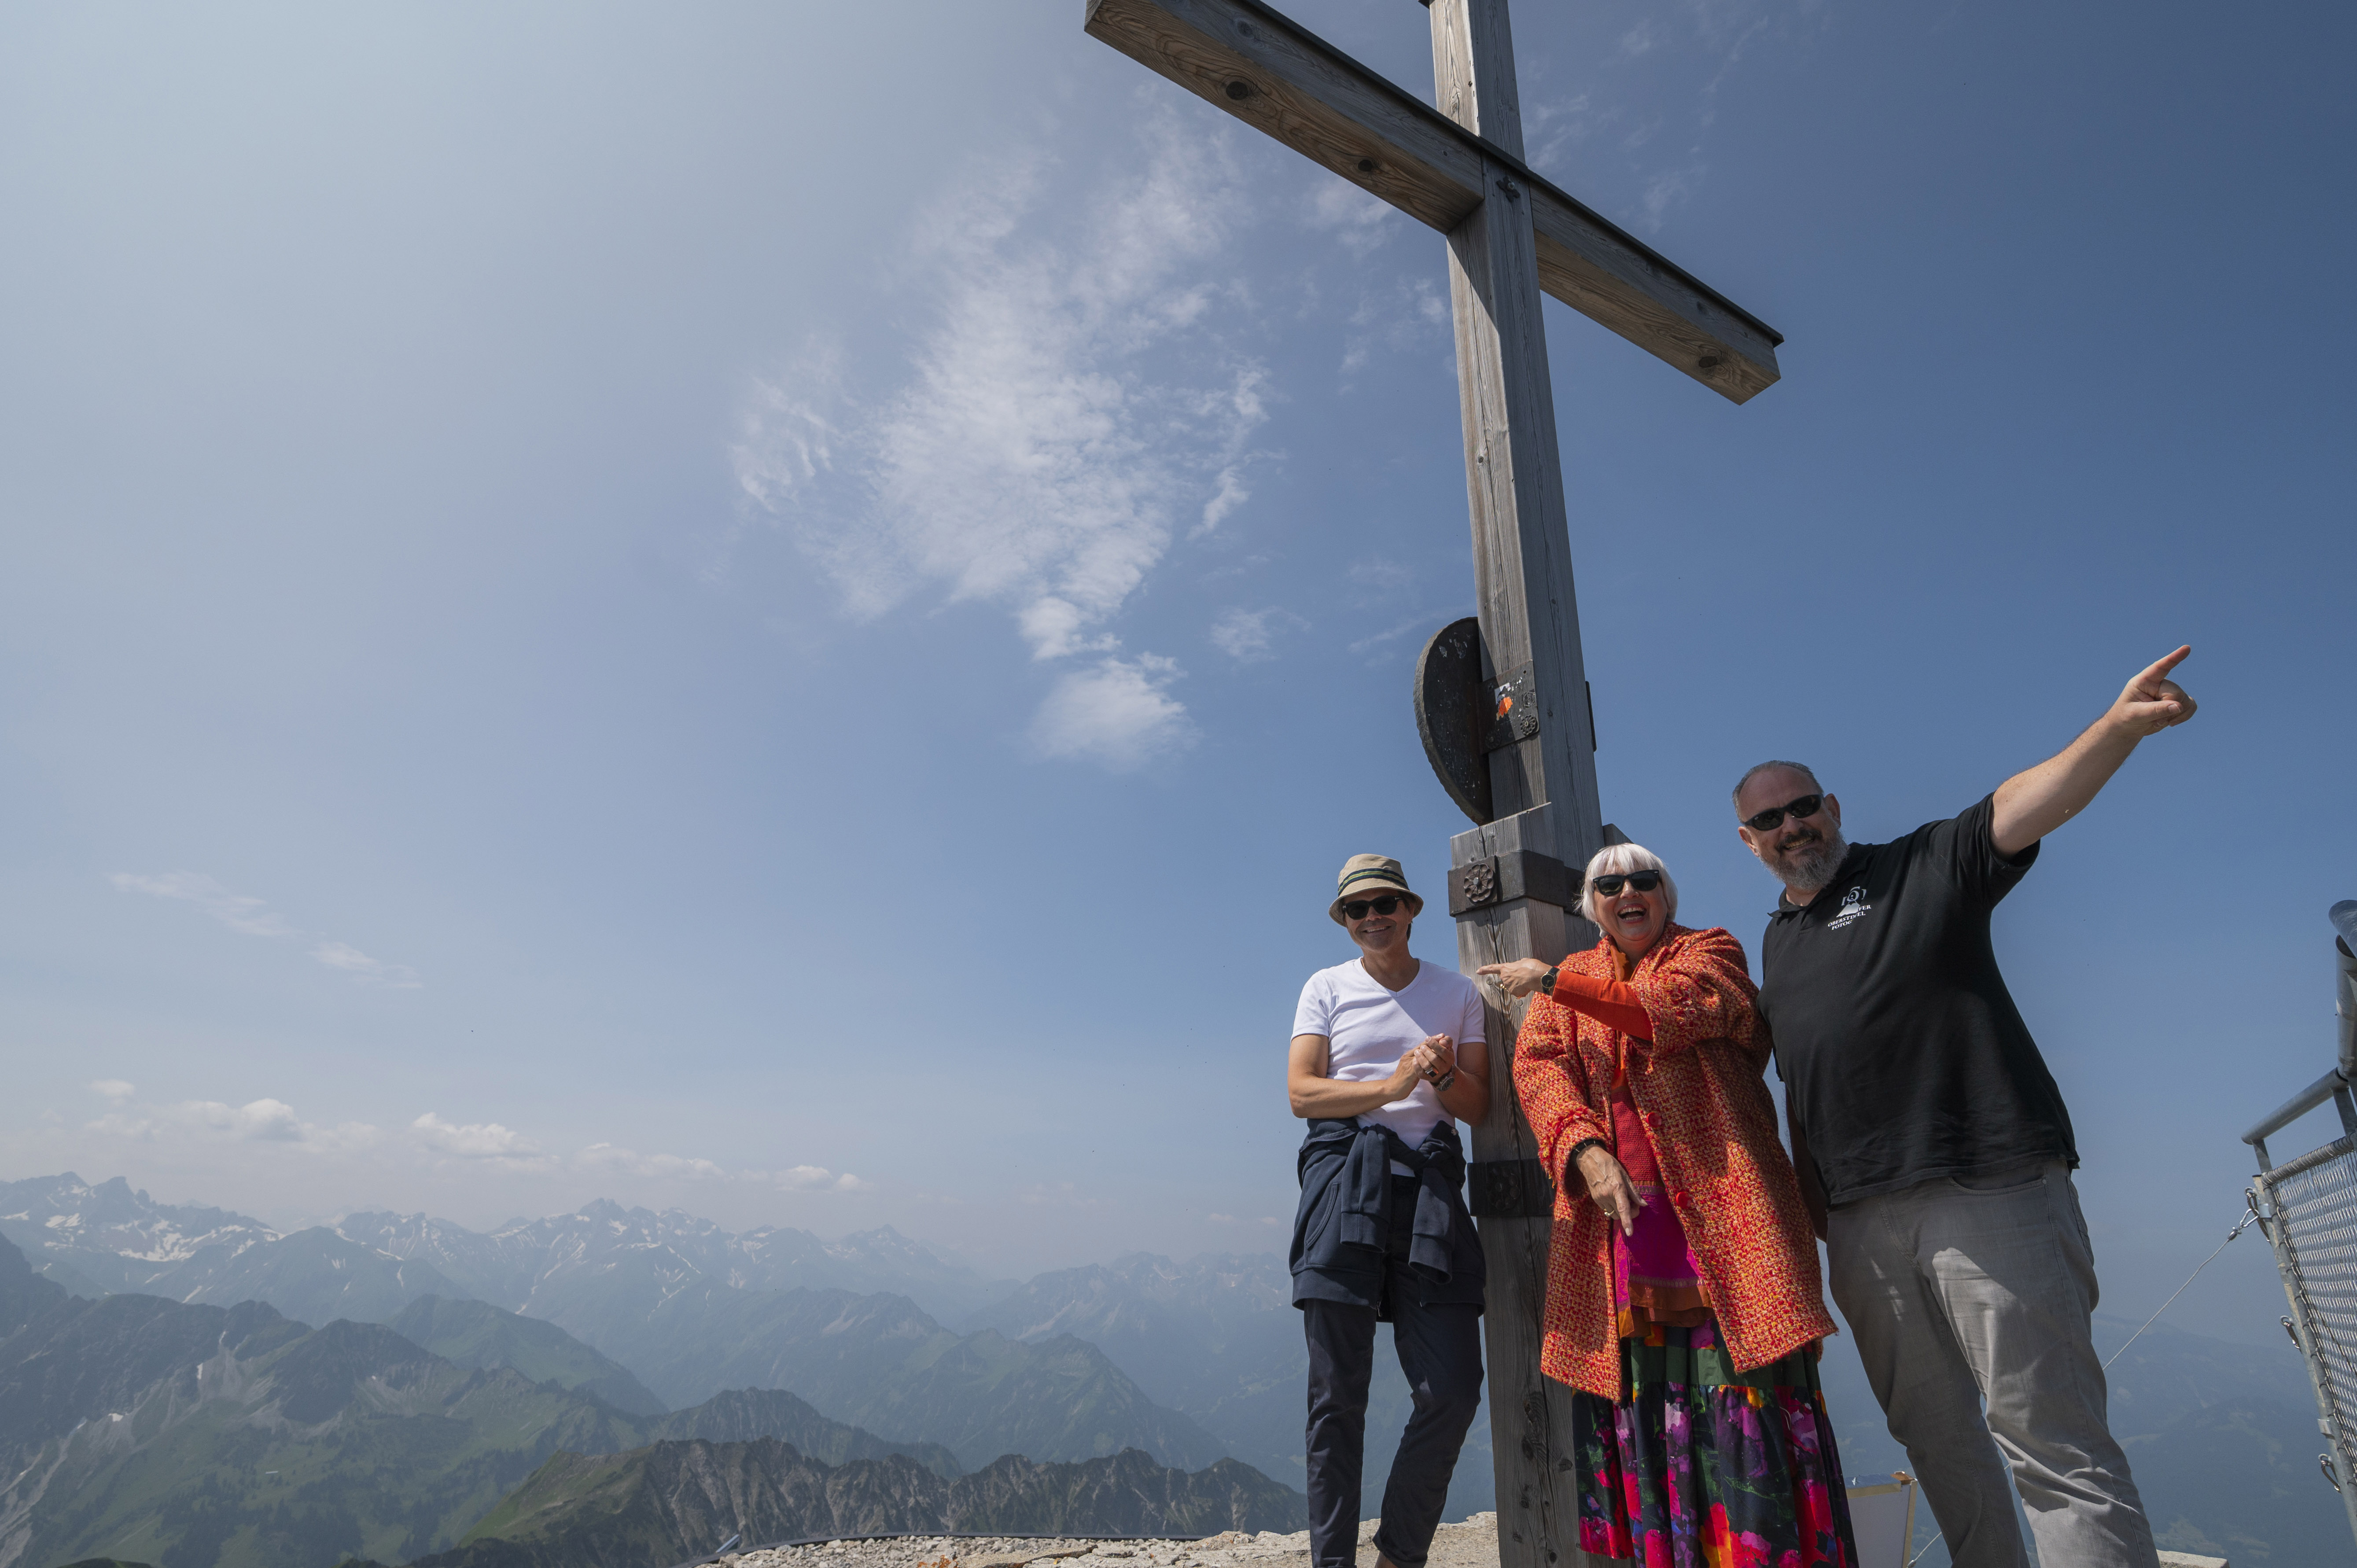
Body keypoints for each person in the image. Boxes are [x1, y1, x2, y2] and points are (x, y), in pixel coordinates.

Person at [1733, 646, 2198, 1568]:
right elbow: (1798, 1083)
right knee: (1935, 1440)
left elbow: (2024, 804)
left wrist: (2116, 728)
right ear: (1748, 841)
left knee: (2050, 1436)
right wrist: (1817, 1213)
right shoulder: (1777, 941)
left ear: (1832, 807)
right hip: (1859, 1226)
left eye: (1802, 805)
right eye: (1767, 819)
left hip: (1987, 1184)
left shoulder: (1921, 865)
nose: (1790, 825)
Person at [1481, 843, 1859, 1568]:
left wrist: (1551, 979)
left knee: (1744, 1387)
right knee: (1641, 1400)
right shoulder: (1574, 981)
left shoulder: (1709, 952)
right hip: (1620, 1234)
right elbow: (1539, 1072)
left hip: (1729, 1215)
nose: (1626, 892)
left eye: (1642, 879)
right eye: (1607, 884)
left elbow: (1670, 1010)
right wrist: (1584, 1150)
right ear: (1590, 905)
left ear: (1666, 893)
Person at [1288, 854, 1492, 1568]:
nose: (1371, 917)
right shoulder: (1325, 987)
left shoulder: (1457, 992)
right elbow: (1302, 1093)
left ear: (1409, 909)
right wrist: (1394, 1082)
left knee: (1452, 1388)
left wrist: (1442, 1073)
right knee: (1335, 1398)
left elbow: (1476, 1105)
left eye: (1384, 903)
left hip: (1429, 1191)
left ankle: (1398, 1557)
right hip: (1343, 1184)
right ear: (1344, 920)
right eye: (1357, 908)